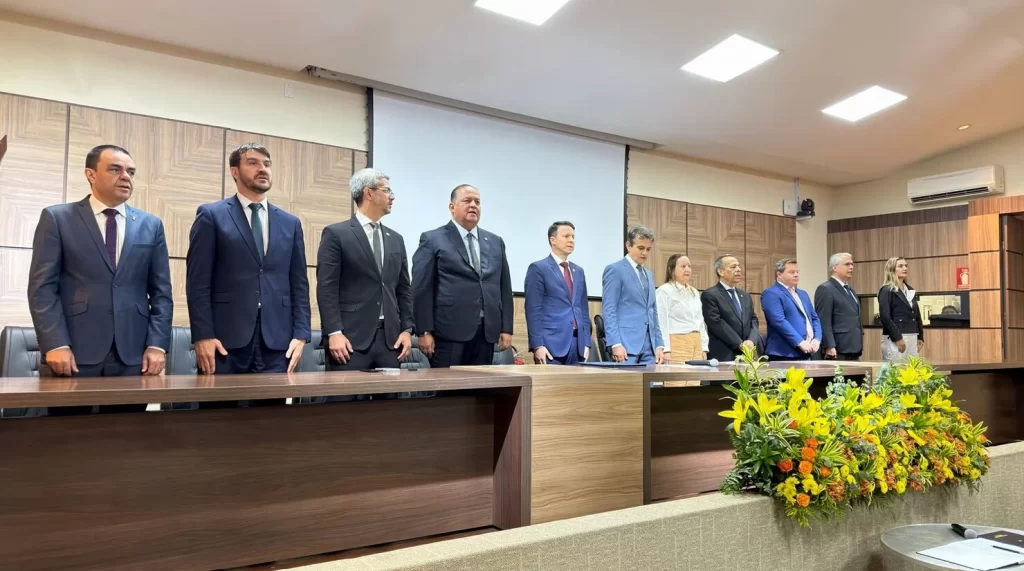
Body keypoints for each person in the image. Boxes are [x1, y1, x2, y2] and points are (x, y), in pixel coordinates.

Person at [27, 144, 172, 414]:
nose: (126, 176)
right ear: (90, 174)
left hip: (133, 355)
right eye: (115, 169)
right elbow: (42, 289)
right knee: (66, 439)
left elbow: (162, 292)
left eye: (131, 171)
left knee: (126, 438)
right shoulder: (58, 218)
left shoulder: (151, 225)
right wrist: (55, 343)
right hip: (73, 352)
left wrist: (157, 345)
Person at [186, 143, 310, 391]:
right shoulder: (212, 215)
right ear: (234, 172)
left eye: (267, 164)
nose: (262, 169)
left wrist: (301, 333)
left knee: (270, 420)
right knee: (221, 419)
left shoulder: (290, 223)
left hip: (277, 342)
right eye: (253, 163)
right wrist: (202, 335)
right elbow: (198, 282)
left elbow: (299, 283)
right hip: (224, 341)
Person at [316, 168, 413, 370]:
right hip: (349, 341)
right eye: (387, 190)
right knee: (344, 400)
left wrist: (407, 329)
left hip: (391, 341)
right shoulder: (336, 234)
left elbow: (404, 289)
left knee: (391, 402)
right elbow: (327, 288)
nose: (392, 196)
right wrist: (334, 332)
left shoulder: (396, 239)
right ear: (368, 193)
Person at [411, 184, 513, 367]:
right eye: (467, 201)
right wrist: (423, 331)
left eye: (477, 202)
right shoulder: (432, 239)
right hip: (448, 332)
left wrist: (506, 328)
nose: (473, 205)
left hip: (486, 334)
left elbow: (504, 287)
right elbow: (421, 288)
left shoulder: (496, 241)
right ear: (452, 207)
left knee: (480, 392)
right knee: (449, 393)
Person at [524, 221, 592, 364]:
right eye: (566, 236)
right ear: (552, 240)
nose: (571, 240)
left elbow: (583, 309)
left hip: (577, 345)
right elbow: (533, 310)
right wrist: (538, 345)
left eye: (573, 236)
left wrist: (586, 342)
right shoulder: (538, 268)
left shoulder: (578, 271)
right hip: (551, 345)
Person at [601, 226, 665, 365]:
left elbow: (653, 311)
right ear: (628, 245)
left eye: (648, 249)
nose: (645, 253)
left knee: (651, 386)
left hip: (649, 346)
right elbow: (609, 309)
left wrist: (659, 344)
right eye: (640, 248)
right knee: (627, 386)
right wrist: (615, 343)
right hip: (625, 344)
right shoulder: (615, 270)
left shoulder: (649, 275)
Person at [701, 255, 760, 362]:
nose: (738, 269)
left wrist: (751, 341)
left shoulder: (745, 295)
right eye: (733, 267)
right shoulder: (710, 295)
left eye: (738, 266)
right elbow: (716, 323)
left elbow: (754, 320)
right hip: (724, 354)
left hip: (748, 355)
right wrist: (739, 344)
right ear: (721, 272)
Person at [761, 258, 821, 361]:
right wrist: (799, 342)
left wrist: (817, 339)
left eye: (797, 272)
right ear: (779, 274)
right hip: (784, 354)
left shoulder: (803, 294)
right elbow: (778, 321)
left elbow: (814, 318)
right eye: (792, 272)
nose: (796, 275)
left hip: (808, 352)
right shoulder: (771, 293)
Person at [656, 254, 708, 363]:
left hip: (696, 342)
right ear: (671, 269)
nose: (687, 269)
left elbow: (700, 321)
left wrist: (704, 348)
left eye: (689, 266)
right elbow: (662, 322)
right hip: (677, 341)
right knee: (677, 379)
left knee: (695, 379)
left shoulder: (694, 292)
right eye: (683, 266)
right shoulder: (664, 291)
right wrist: (666, 349)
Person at [814, 253, 863, 361]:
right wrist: (829, 345)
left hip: (854, 347)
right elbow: (823, 320)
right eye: (847, 264)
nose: (851, 267)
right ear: (835, 267)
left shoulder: (849, 289)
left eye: (852, 264)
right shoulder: (826, 289)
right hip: (837, 349)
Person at [877, 257, 924, 361]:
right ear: (892, 269)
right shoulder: (886, 290)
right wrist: (897, 337)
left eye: (906, 266)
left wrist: (920, 335)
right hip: (896, 336)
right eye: (900, 266)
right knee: (896, 371)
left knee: (912, 371)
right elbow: (885, 317)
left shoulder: (910, 289)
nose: (905, 268)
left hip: (912, 335)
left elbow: (917, 315)